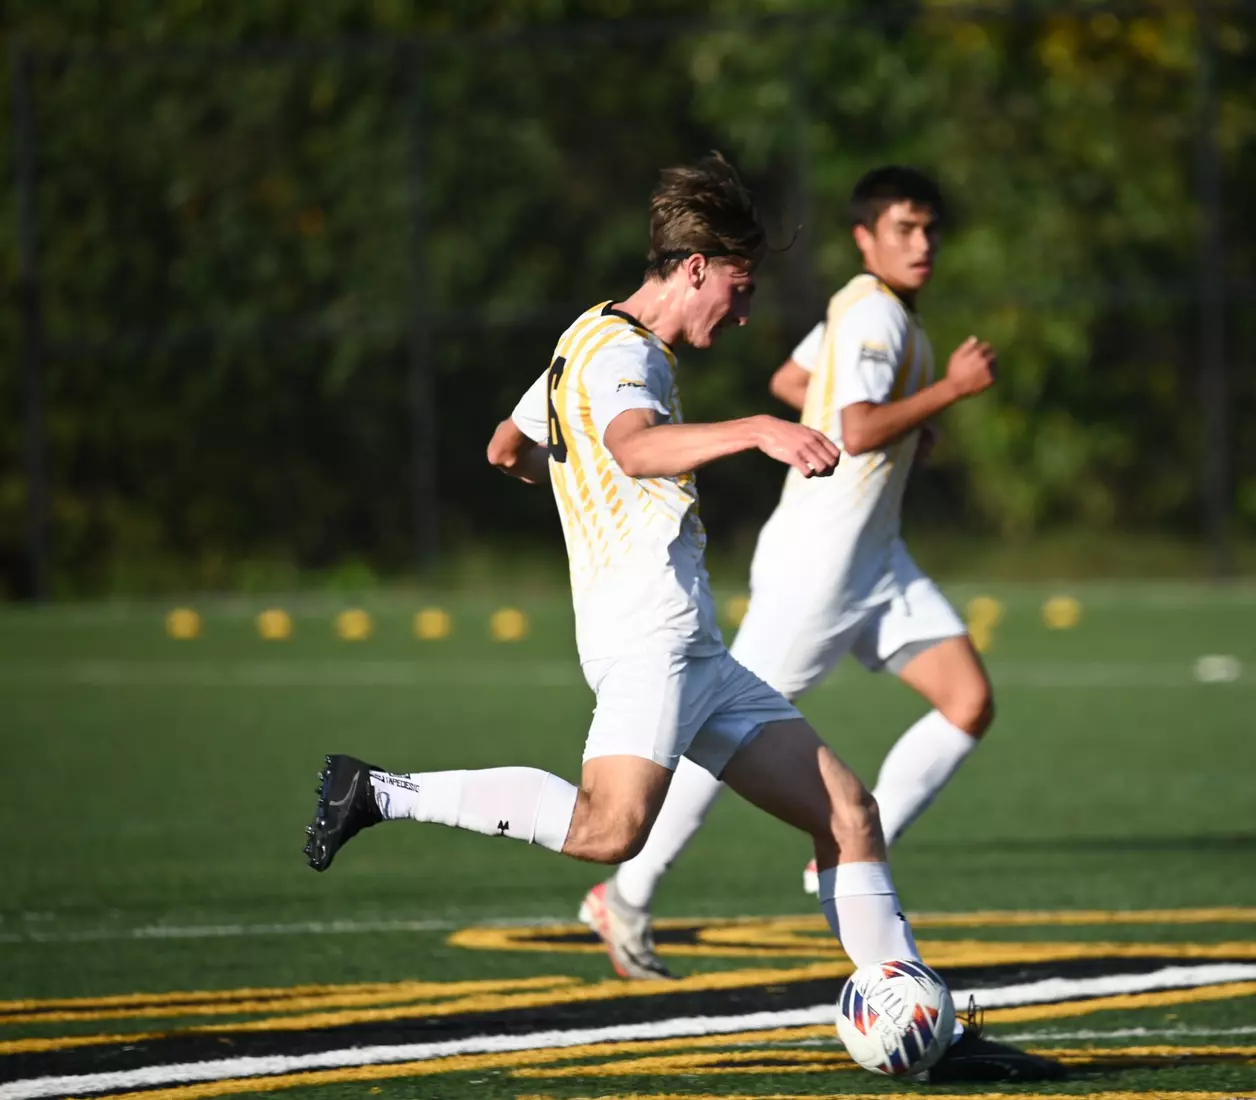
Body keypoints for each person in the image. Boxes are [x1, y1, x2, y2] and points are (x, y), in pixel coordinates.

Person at [300, 154, 1059, 1084]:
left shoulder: (582, 336)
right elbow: (634, 444)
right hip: (647, 641)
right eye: (735, 292)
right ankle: (377, 791)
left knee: (850, 816)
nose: (738, 316)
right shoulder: (624, 356)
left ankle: (923, 1024)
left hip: (692, 645)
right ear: (693, 268)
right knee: (609, 831)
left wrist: (573, 482)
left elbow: (506, 449)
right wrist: (754, 429)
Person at [582, 166, 1001, 982]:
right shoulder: (875, 313)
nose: (922, 244)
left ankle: (834, 861)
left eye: (930, 230)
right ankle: (625, 894)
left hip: (875, 561)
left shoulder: (866, 309)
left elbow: (790, 381)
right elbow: (856, 425)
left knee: (968, 699)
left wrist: (911, 420)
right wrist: (947, 392)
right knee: (727, 735)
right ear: (865, 236)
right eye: (904, 229)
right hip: (819, 565)